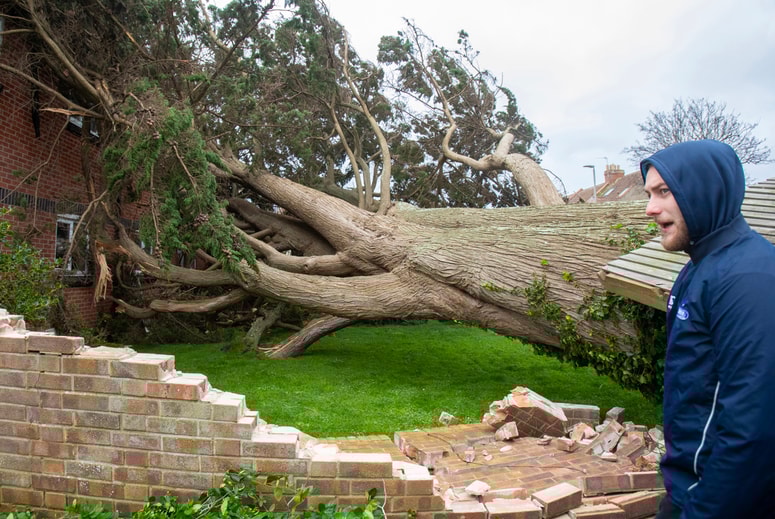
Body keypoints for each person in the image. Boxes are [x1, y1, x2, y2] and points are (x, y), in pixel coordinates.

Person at [641, 139, 775, 518]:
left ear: (703, 190)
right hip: (690, 490)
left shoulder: (749, 278)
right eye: (650, 193)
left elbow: (754, 430)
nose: (651, 208)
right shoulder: (701, 267)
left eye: (665, 192)